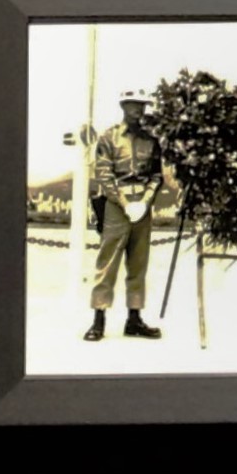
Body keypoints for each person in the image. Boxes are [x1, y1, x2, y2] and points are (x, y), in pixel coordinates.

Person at [83, 93, 165, 342]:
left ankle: (134, 319)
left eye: (142, 105)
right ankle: (98, 320)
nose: (138, 110)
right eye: (133, 105)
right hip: (117, 206)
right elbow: (104, 174)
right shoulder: (109, 137)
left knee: (138, 263)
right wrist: (125, 203)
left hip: (142, 206)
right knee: (107, 263)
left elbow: (156, 176)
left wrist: (145, 201)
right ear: (123, 106)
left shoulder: (151, 141)